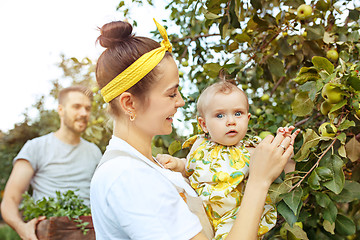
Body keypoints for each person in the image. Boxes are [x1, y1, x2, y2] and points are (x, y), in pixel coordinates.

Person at [90, 18, 297, 240]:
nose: (180, 101)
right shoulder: (129, 177)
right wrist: (259, 180)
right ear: (129, 103)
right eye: (171, 94)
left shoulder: (149, 167)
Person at [156, 80, 300, 239]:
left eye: (238, 113)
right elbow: (189, 167)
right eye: (220, 115)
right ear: (204, 124)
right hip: (203, 216)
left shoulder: (252, 149)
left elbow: (276, 168)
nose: (231, 121)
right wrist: (177, 163)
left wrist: (282, 143)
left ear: (248, 118)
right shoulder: (199, 146)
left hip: (234, 218)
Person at [1, 85, 102, 240]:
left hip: (89, 232)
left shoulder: (94, 152)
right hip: (49, 232)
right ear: (60, 110)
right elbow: (10, 199)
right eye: (76, 107)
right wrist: (23, 228)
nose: (84, 113)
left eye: (87, 108)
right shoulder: (36, 147)